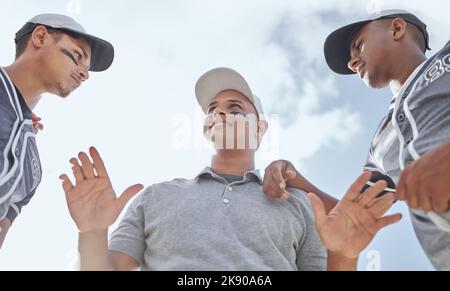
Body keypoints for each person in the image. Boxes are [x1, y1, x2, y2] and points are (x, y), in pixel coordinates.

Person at [60, 67, 399, 271]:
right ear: (205, 127)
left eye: (235, 107)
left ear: (260, 128)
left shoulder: (298, 206)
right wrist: (91, 232)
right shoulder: (156, 197)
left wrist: (343, 255)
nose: (220, 113)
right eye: (212, 108)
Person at [264, 9, 450, 270]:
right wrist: (294, 179)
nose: (352, 62)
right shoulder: (380, 144)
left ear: (397, 29)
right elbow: (349, 214)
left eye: (358, 46)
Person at [0, 14, 114, 248]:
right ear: (41, 37)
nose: (84, 74)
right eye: (77, 56)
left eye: (87, 67)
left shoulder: (32, 168)